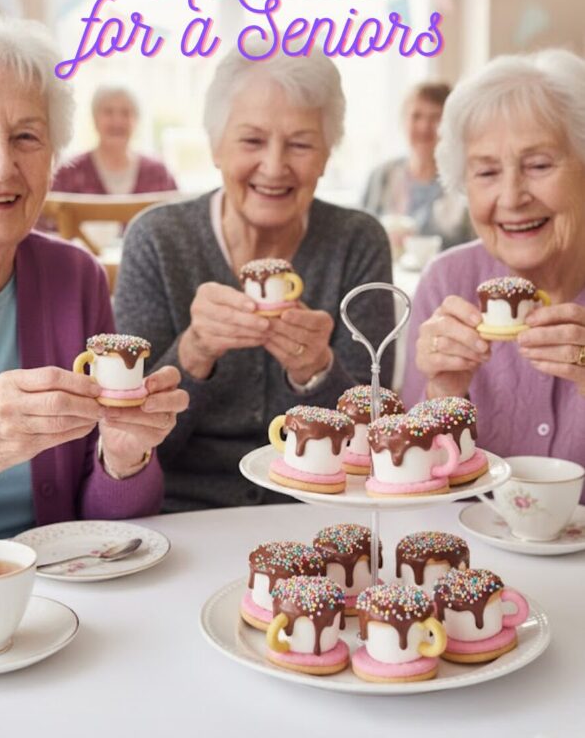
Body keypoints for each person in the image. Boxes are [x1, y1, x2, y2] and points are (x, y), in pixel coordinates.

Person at [0, 6, 188, 551]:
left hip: (61, 604)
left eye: (26, 137)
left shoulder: (76, 278)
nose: (0, 163)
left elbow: (108, 529)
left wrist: (125, 458)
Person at [116, 48, 395, 512]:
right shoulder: (159, 240)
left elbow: (374, 447)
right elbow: (133, 447)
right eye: (251, 141)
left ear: (326, 156)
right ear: (215, 146)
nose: (274, 166)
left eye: (301, 144)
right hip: (184, 515)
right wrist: (195, 352)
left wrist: (317, 372)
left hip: (321, 513)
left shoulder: (357, 241)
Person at [402, 50, 585, 466]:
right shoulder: (447, 282)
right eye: (486, 173)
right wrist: (441, 393)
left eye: (539, 165)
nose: (511, 198)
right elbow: (412, 481)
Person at [362, 82, 472, 249]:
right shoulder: (381, 176)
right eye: (416, 116)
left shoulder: (463, 181)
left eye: (436, 118)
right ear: (403, 121)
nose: (424, 127)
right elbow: (361, 238)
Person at [51, 84, 177, 195]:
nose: (117, 121)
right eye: (108, 112)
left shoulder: (159, 174)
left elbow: (180, 218)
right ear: (95, 118)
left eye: (126, 113)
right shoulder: (68, 173)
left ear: (136, 120)